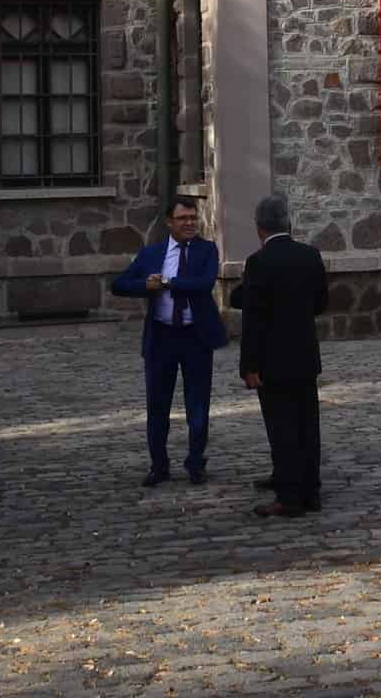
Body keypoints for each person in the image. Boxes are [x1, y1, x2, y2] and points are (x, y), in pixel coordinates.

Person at [109, 195, 226, 486]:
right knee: (157, 405)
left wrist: (168, 283)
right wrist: (145, 285)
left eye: (193, 217)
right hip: (161, 337)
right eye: (183, 218)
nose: (190, 223)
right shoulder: (151, 254)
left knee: (198, 405)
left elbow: (203, 284)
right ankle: (158, 465)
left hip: (195, 336)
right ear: (169, 222)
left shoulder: (206, 250)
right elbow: (119, 284)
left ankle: (195, 462)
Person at [238, 193, 329, 518]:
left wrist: (248, 365)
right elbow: (320, 304)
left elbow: (252, 319)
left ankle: (289, 496)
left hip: (272, 360)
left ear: (260, 227)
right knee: (307, 425)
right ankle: (311, 490)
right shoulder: (310, 255)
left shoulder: (258, 262)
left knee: (282, 427)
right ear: (288, 223)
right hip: (304, 355)